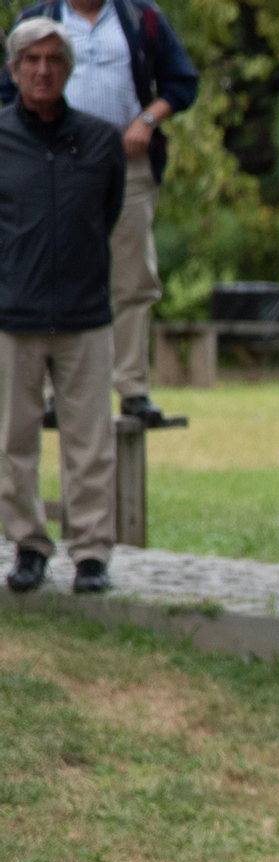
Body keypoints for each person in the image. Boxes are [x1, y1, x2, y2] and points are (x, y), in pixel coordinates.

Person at [0, 0, 197, 429]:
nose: (43, 67)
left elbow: (182, 82)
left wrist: (147, 120)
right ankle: (52, 392)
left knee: (133, 277)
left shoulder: (141, 16)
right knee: (49, 269)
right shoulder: (37, 19)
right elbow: (9, 92)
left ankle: (131, 386)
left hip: (128, 162)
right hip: (48, 162)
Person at [0, 19, 123, 595]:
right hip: (12, 317)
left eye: (53, 59)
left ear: (70, 69)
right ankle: (28, 545)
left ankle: (92, 553)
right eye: (31, 60)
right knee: (12, 442)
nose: (43, 70)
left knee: (90, 444)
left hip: (84, 315)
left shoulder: (101, 140)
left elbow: (109, 213)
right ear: (13, 69)